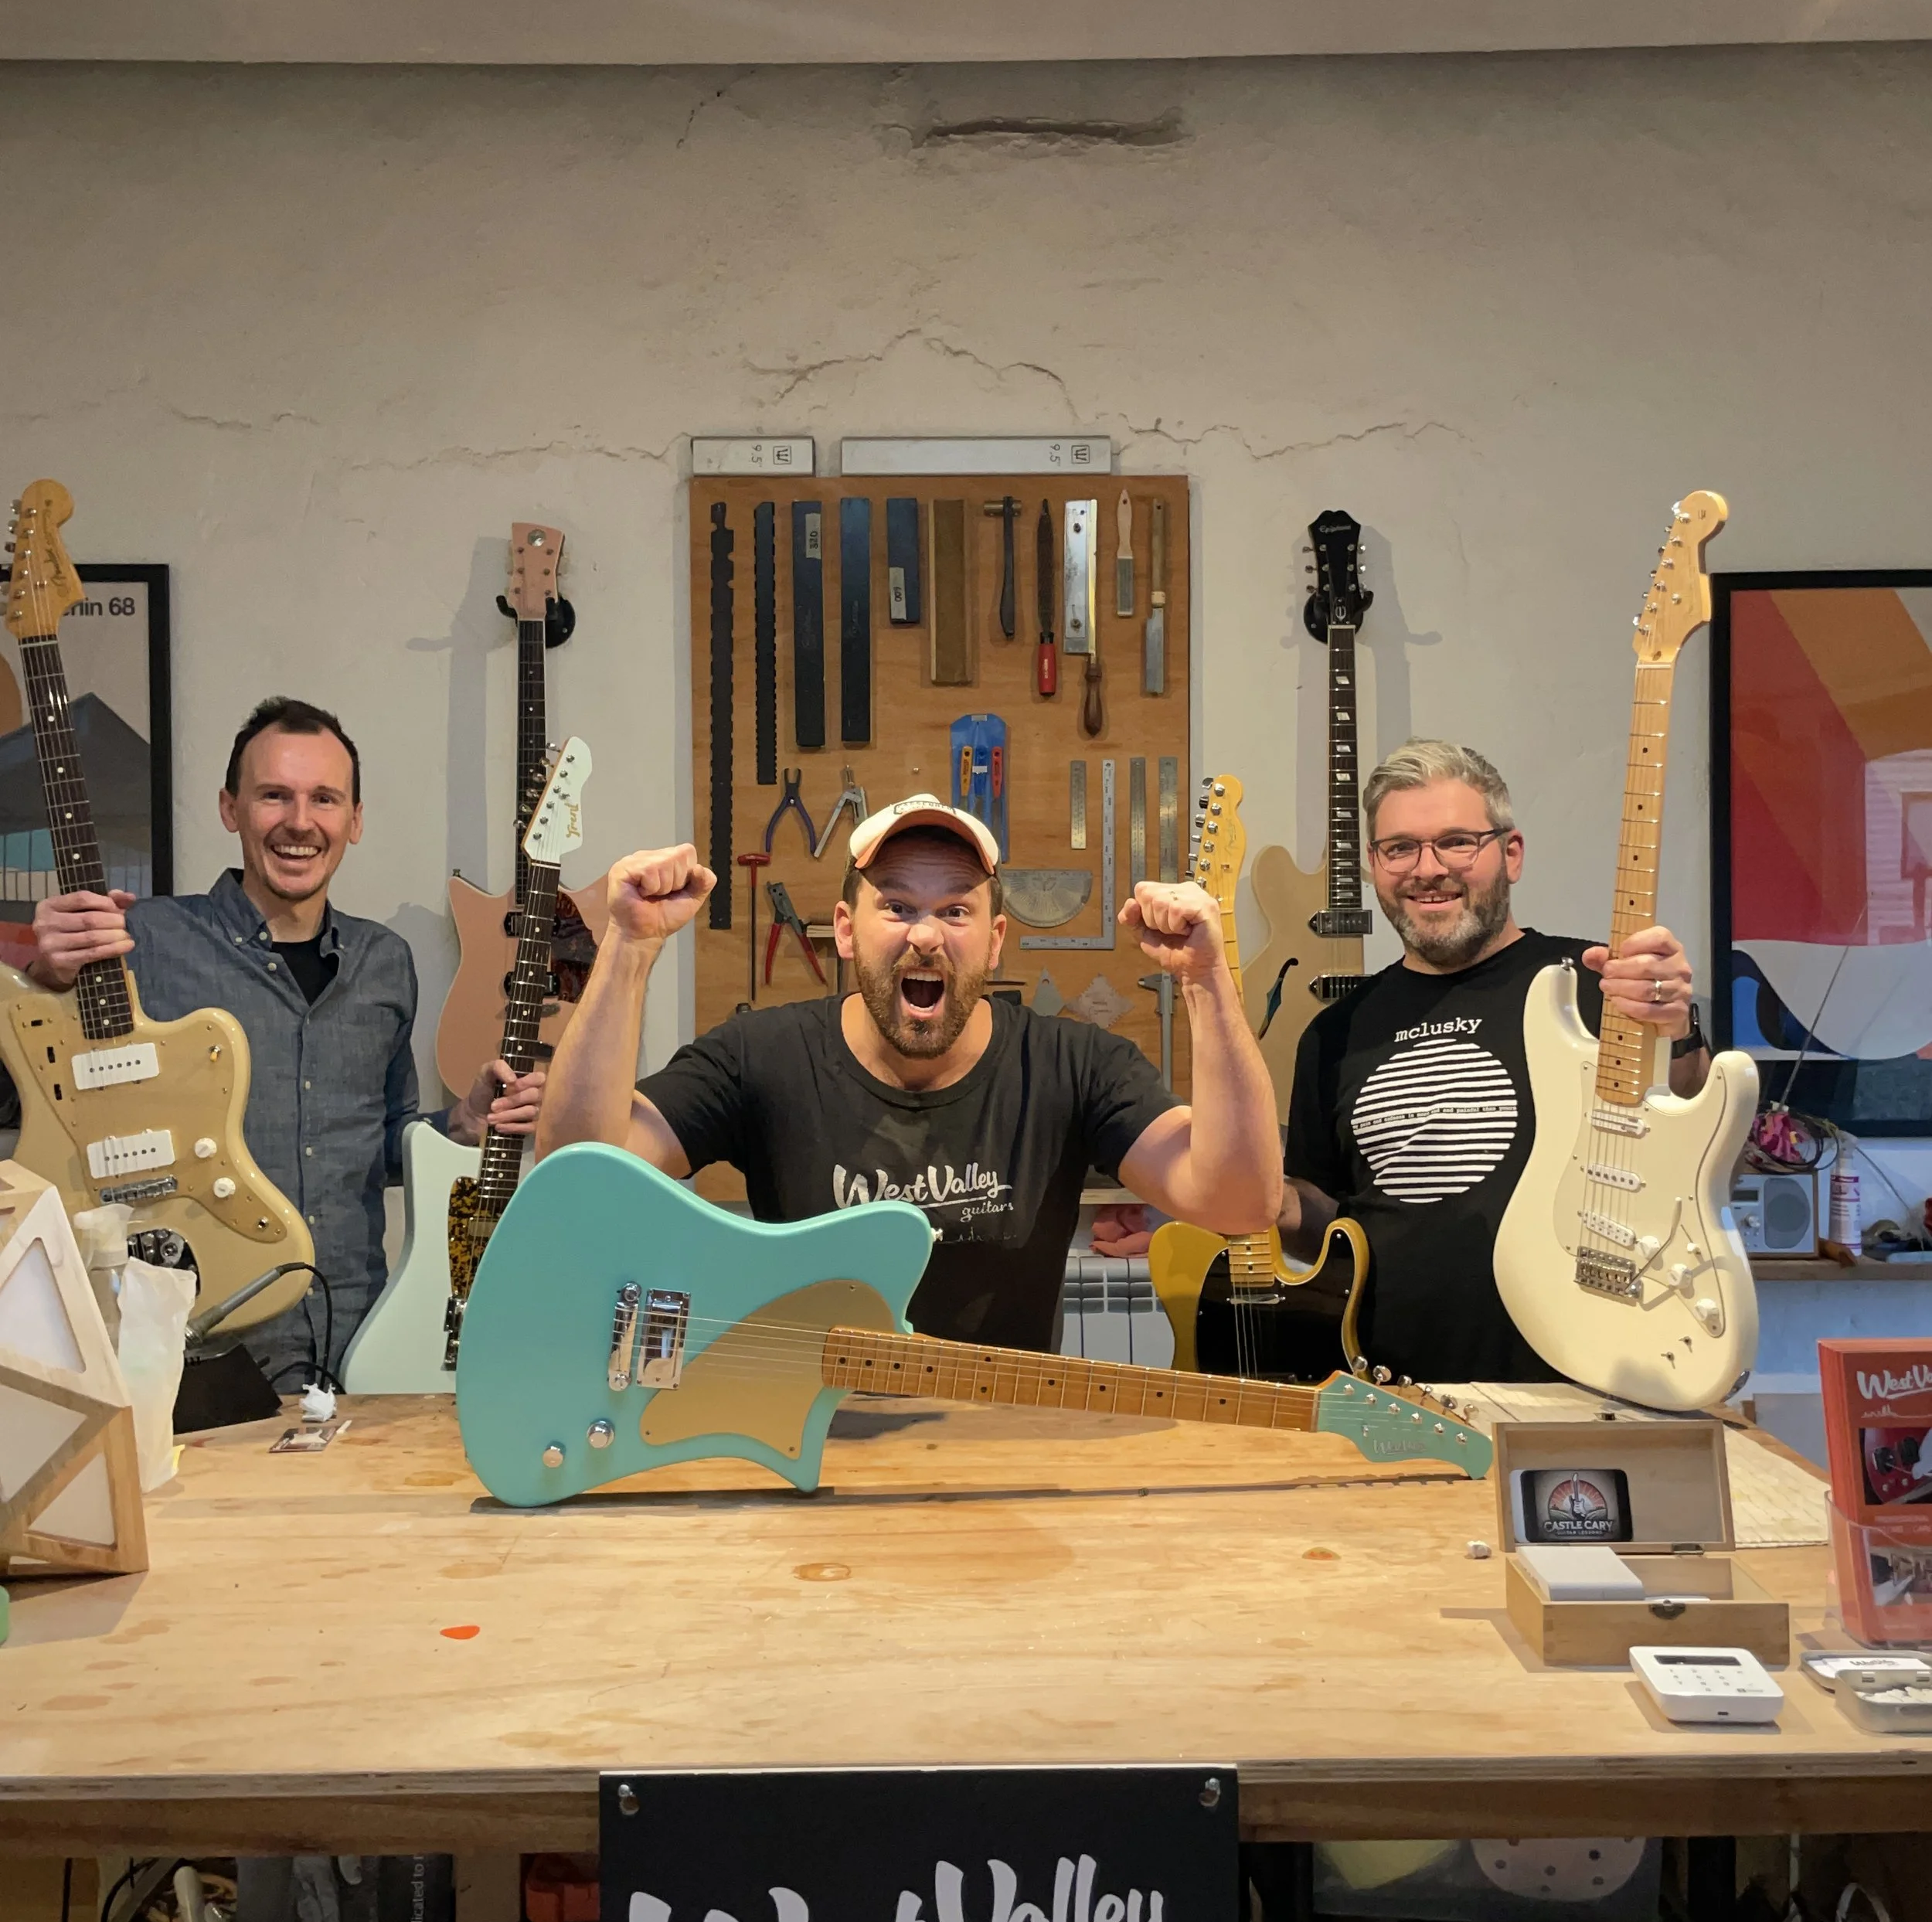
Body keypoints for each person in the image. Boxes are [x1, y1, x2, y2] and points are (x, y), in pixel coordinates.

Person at [536, 791, 1283, 1351]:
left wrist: (1206, 982)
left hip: (1007, 1462)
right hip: (808, 1450)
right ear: (844, 932)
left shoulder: (1073, 1064)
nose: (925, 934)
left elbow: (1240, 1200)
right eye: (896, 906)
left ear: (993, 944)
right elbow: (580, 1170)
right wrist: (628, 946)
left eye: (955, 912)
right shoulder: (758, 1056)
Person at [27, 696, 543, 1385]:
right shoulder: (139, 943)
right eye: (275, 795)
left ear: (354, 820)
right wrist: (44, 976)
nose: (300, 822)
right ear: (229, 808)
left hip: (363, 1340)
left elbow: (377, 1143)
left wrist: (458, 1123)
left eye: (325, 799)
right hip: (205, 1352)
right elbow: (36, 1105)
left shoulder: (385, 963)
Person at [1281, 738, 1710, 1386]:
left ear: (1510, 854)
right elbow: (1320, 1222)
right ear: (1373, 864)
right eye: (1400, 848)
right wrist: (1256, 1195)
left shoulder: (1601, 983)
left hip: (1589, 1377)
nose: (1428, 868)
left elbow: (1691, 1125)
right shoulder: (1334, 1033)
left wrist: (1676, 1028)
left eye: (1457, 841)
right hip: (1393, 1391)